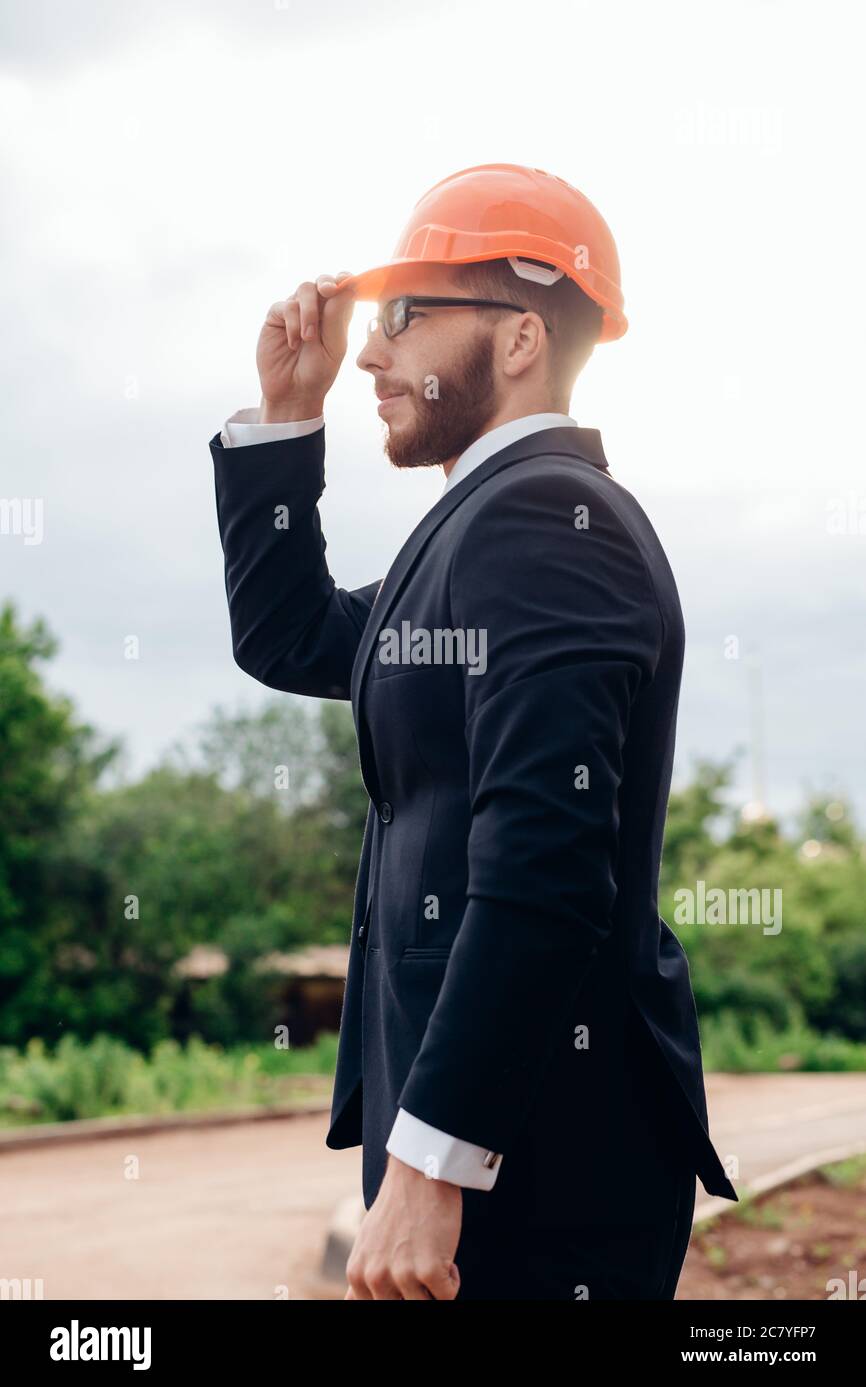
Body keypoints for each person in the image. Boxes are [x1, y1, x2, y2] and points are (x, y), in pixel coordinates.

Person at [210, 164, 738, 1301]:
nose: (368, 352)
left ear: (514, 340)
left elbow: (546, 864)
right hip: (498, 1151)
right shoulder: (469, 534)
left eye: (405, 317)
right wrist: (285, 422)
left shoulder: (546, 522)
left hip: (534, 1161)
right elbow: (291, 634)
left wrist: (433, 1155)